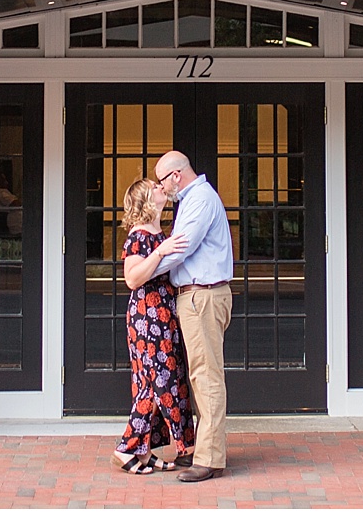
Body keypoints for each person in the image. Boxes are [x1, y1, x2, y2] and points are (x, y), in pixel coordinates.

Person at [153, 149, 234, 482]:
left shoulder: (199, 199)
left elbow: (180, 247)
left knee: (206, 376)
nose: (161, 188)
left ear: (175, 176)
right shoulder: (192, 199)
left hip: (202, 296)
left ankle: (210, 459)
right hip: (198, 296)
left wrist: (143, 271)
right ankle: (204, 450)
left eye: (162, 181)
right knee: (201, 375)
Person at [111, 177, 195, 475]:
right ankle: (127, 448)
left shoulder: (159, 232)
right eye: (155, 187)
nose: (162, 188)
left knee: (152, 381)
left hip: (163, 314)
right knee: (161, 381)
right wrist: (161, 251)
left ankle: (143, 452)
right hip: (148, 316)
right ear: (147, 200)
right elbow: (132, 279)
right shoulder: (139, 235)